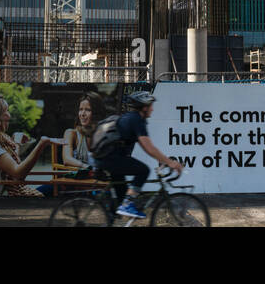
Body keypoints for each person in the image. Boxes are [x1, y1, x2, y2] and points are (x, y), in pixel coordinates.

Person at [92, 90, 182, 220]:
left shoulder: (131, 118)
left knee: (120, 198)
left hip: (107, 158)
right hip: (111, 158)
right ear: (144, 107)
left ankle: (113, 215)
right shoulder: (136, 120)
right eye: (150, 106)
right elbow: (149, 147)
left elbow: (147, 148)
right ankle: (127, 205)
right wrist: (170, 162)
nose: (152, 109)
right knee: (143, 170)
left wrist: (162, 160)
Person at [0, 94, 51, 197]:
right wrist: (42, 144)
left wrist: (16, 143)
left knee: (55, 186)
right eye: (5, 111)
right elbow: (18, 173)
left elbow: (13, 170)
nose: (9, 115)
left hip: (14, 189)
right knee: (56, 188)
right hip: (9, 195)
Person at [59, 92, 103, 173]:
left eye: (88, 110)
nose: (82, 114)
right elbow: (67, 159)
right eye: (80, 109)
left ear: (96, 113)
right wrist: (89, 168)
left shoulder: (102, 134)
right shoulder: (71, 133)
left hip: (97, 183)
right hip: (74, 182)